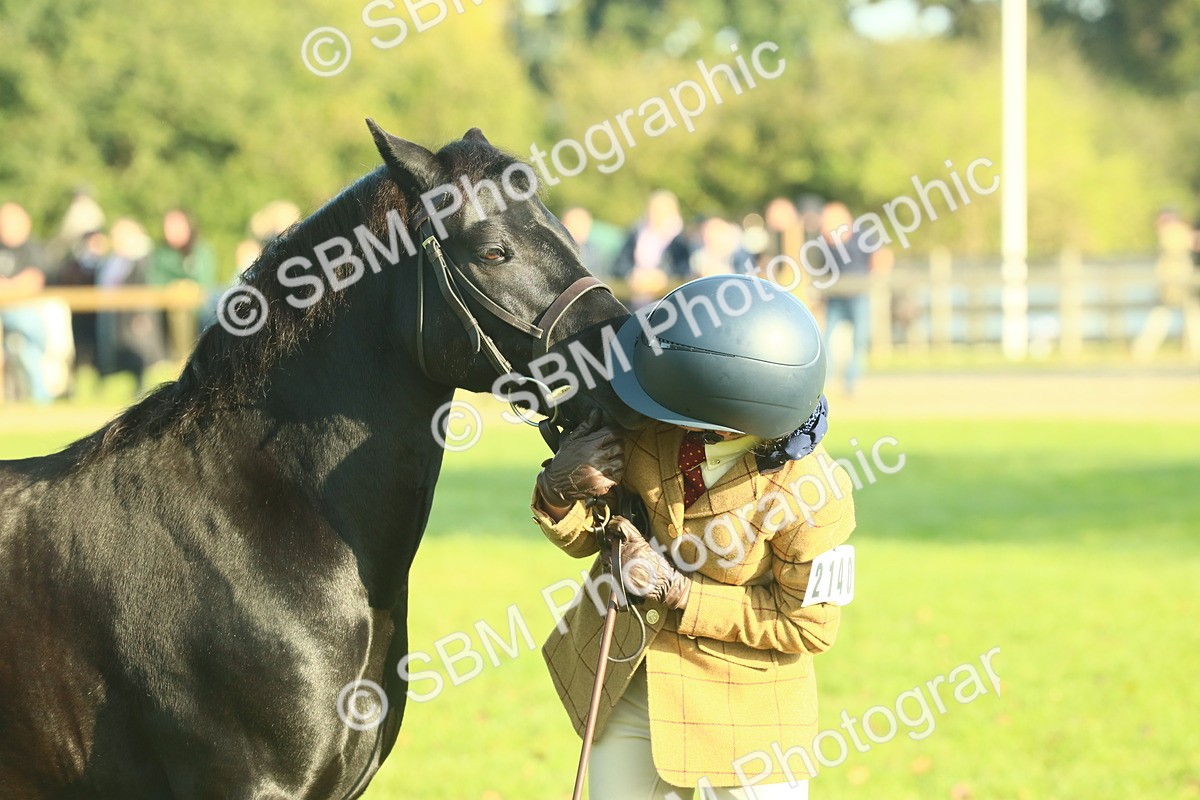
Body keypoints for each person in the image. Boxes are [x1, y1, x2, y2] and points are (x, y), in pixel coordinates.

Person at [530, 275, 857, 799]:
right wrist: (557, 491)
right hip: (626, 683)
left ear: (727, 420)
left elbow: (809, 627)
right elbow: (589, 535)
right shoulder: (652, 424)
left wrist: (681, 592)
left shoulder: (815, 496)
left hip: (745, 721)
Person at [613, 190, 694, 309]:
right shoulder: (635, 234)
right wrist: (631, 274)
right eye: (653, 210)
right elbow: (619, 264)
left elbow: (684, 271)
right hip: (634, 301)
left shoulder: (682, 240)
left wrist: (663, 278)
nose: (656, 215)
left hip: (668, 304)